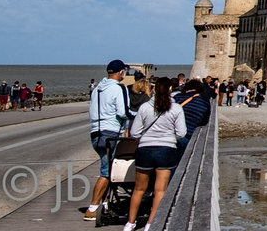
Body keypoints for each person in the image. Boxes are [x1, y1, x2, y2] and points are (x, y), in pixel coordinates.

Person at [123, 77, 186, 231]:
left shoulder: (145, 107)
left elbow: (134, 132)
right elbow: (182, 133)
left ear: (154, 89)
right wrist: (170, 138)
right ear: (171, 89)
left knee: (139, 189)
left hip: (145, 149)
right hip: (166, 149)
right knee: (160, 190)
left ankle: (130, 223)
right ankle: (151, 224)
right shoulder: (176, 108)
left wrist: (144, 139)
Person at [83, 60, 131, 223]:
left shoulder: (97, 89)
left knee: (107, 168)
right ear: (121, 73)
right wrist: (141, 115)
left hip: (95, 133)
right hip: (110, 134)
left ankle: (105, 204)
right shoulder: (119, 88)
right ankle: (92, 209)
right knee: (106, 172)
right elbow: (124, 112)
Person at [174, 81, 210, 152]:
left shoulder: (177, 97)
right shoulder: (204, 102)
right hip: (189, 135)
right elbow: (204, 122)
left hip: (173, 135)